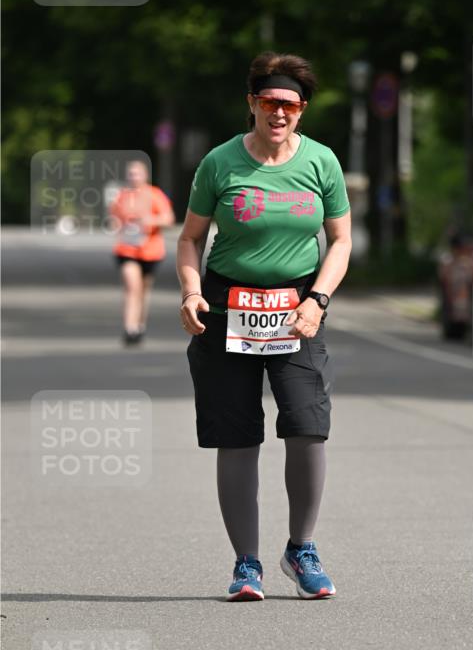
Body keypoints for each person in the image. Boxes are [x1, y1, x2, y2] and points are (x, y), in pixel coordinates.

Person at [177, 51, 352, 601]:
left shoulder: (321, 162)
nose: (280, 114)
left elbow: (341, 241)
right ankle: (246, 564)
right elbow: (188, 239)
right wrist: (190, 292)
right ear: (252, 104)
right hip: (228, 305)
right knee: (237, 437)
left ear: (301, 112)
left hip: (298, 307)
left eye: (291, 106)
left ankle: (301, 549)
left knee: (306, 425)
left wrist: (318, 299)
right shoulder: (220, 163)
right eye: (271, 103)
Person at [110, 159, 175, 344]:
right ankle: (129, 328)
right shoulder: (122, 196)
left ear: (145, 175)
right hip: (126, 249)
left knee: (144, 291)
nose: (134, 177)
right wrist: (118, 225)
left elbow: (168, 219)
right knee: (132, 287)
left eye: (137, 173)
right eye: (131, 173)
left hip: (151, 251)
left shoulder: (155, 195)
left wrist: (149, 221)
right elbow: (114, 219)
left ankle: (139, 325)